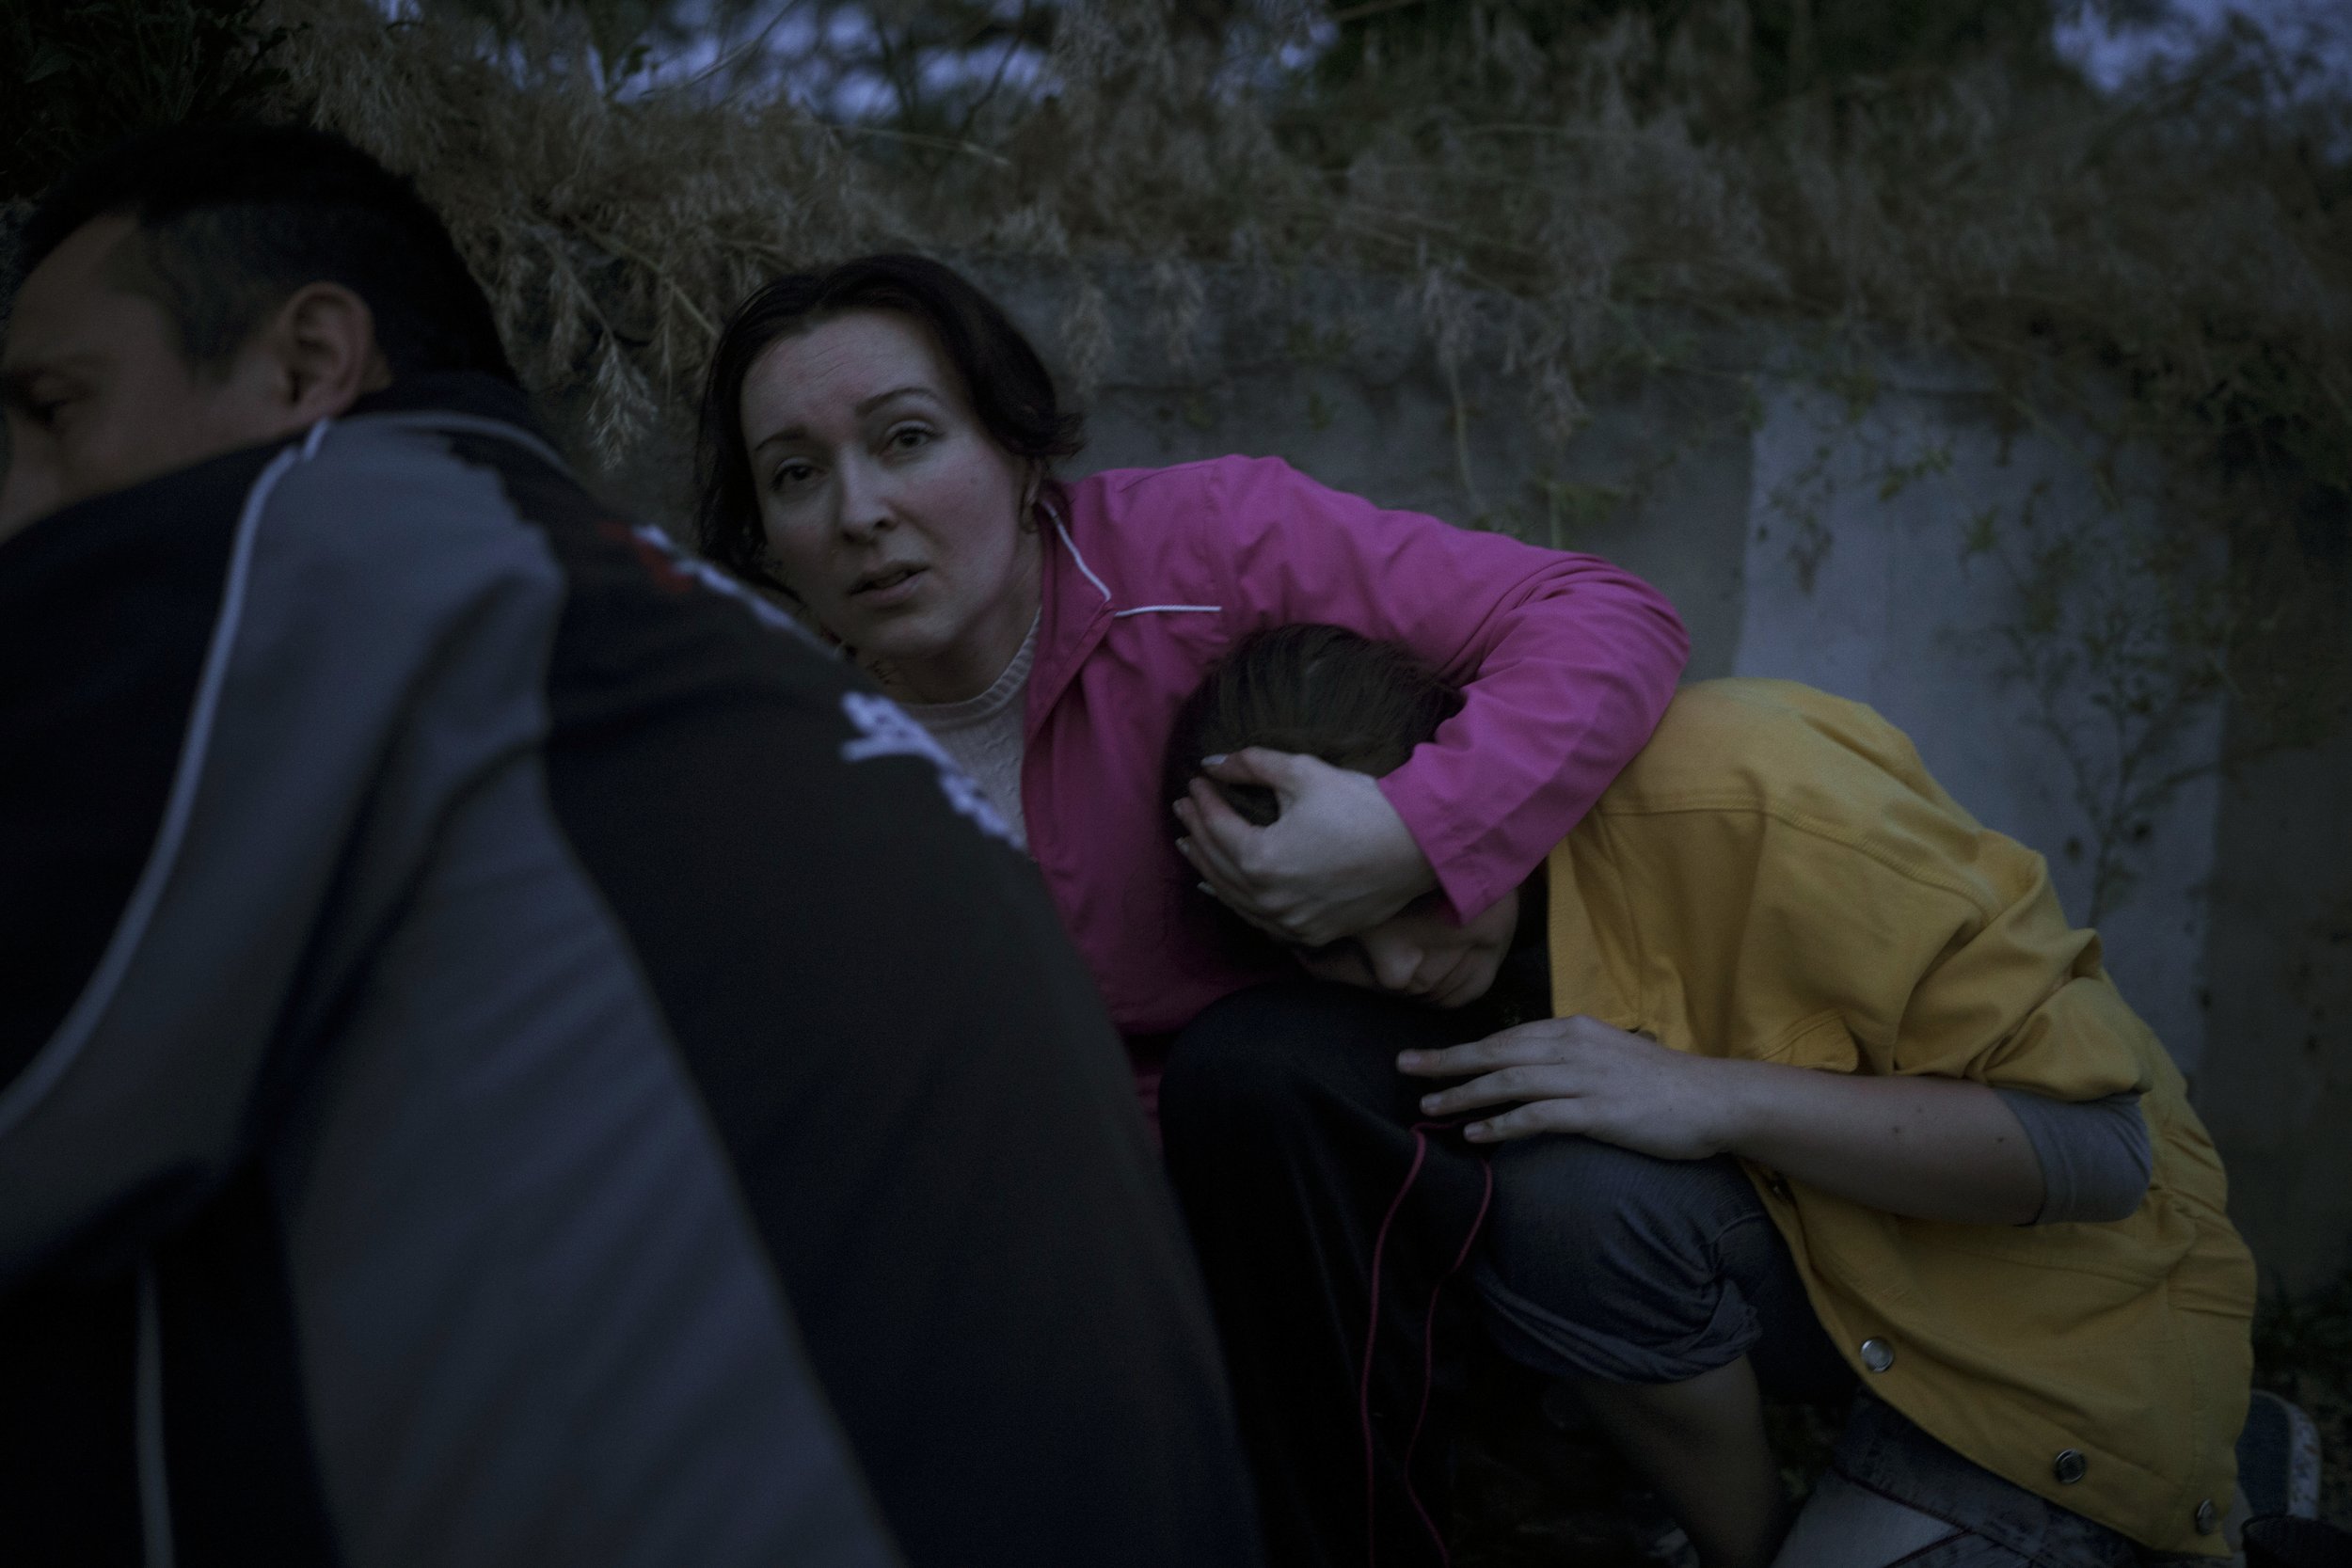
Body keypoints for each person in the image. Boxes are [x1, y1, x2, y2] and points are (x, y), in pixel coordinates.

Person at [0, 123, 1261, 1567]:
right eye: (795, 474)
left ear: (306, 368)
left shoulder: (290, 536)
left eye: (54, 406)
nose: (19, 499)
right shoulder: (729, 679)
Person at [1159, 625, 2260, 1568]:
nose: (1395, 971)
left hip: (2044, 1318)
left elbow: (2100, 1156)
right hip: (1819, 1277)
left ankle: (2251, 1451)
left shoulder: (1751, 787)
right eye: (1330, 945)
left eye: (1405, 897)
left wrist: (1706, 1095)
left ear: (1462, 788)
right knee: (1563, 1191)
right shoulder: (1436, 956)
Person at [690, 255, 1692, 1120]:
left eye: (906, 437)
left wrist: (1413, 832)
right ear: (767, 538)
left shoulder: (1208, 544)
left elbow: (1600, 616)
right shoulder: (791, 770)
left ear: (1018, 448)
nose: (859, 510)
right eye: (795, 474)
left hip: (1343, 1125)